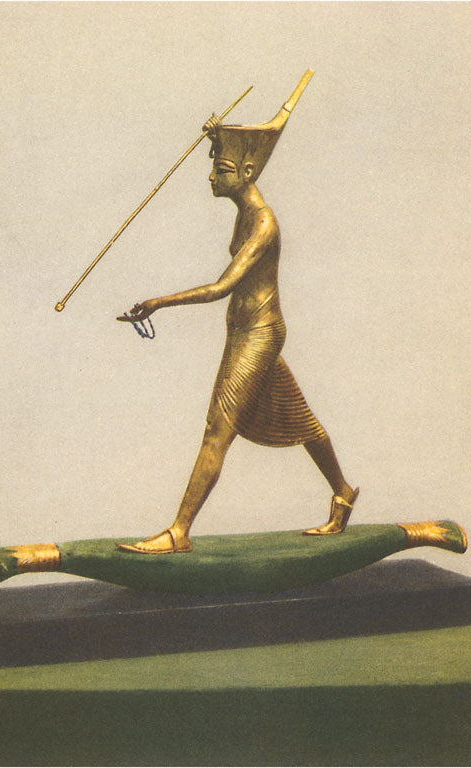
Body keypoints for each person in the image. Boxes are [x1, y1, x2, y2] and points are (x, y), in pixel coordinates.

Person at [117, 73, 358, 554]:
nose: (213, 177)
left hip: (258, 335)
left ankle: (179, 531)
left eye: (222, 169)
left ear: (247, 172)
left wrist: (160, 301)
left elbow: (222, 287)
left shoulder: (263, 223)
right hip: (248, 331)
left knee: (217, 429)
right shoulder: (243, 212)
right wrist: (217, 138)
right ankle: (343, 493)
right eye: (215, 167)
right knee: (301, 420)